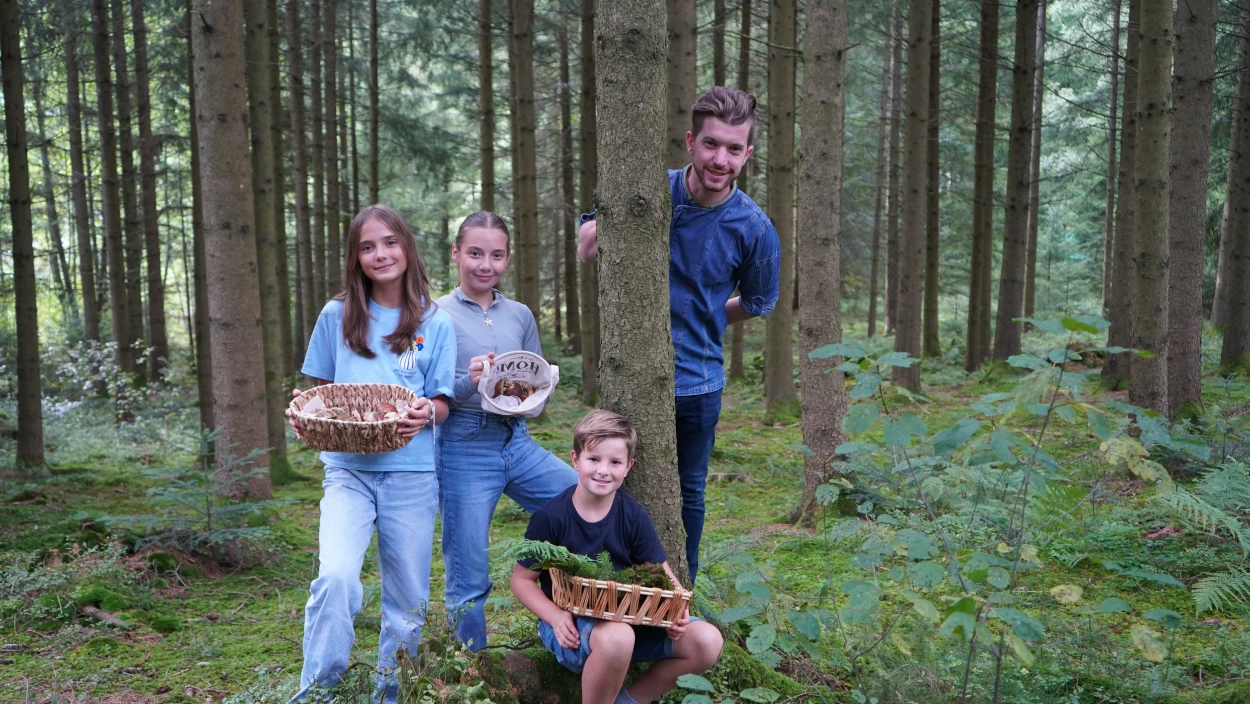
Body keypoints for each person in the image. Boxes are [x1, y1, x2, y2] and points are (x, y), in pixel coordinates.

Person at [577, 86, 781, 581]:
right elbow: (586, 249)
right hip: (632, 375)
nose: (720, 158)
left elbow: (759, 303)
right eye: (711, 144)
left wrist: (707, 316)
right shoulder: (649, 192)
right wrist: (615, 218)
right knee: (611, 483)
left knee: (689, 492)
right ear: (692, 141)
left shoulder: (754, 228)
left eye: (734, 149)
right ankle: (604, 586)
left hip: (699, 386)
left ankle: (679, 590)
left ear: (747, 155)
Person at [288, 204, 456, 702]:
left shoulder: (434, 321)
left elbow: (442, 401)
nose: (380, 253)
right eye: (367, 246)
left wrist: (426, 413)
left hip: (411, 474)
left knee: (408, 605)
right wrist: (304, 417)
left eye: (389, 242)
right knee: (336, 578)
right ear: (355, 257)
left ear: (406, 246)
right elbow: (319, 393)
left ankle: (393, 694)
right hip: (348, 474)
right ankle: (321, 691)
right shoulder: (336, 316)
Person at [435, 211, 579, 651]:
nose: (485, 264)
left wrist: (535, 392)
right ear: (456, 253)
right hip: (463, 446)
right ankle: (471, 667)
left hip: (518, 442)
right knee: (469, 566)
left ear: (507, 259)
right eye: (475, 253)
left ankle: (569, 623)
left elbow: (537, 387)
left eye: (496, 255)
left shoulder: (519, 314)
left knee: (583, 503)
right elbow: (431, 394)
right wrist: (471, 381)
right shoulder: (435, 314)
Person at [510, 410, 724, 704]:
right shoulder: (551, 517)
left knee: (707, 641)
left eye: (615, 462)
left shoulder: (632, 514)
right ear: (575, 459)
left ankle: (629, 700)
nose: (603, 470)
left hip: (631, 618)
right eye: (594, 459)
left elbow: (662, 573)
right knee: (618, 636)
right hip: (572, 628)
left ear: (628, 467)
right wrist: (555, 617)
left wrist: (677, 609)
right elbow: (521, 580)